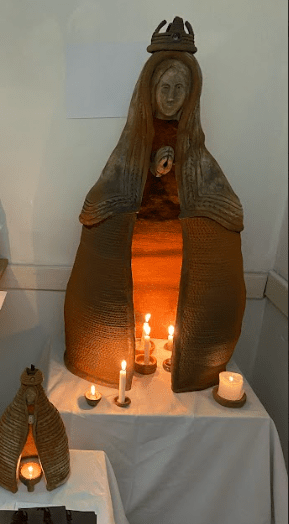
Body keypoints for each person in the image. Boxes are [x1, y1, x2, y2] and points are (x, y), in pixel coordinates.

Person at [64, 17, 246, 393]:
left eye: (180, 88)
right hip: (137, 245)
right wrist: (148, 170)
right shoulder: (132, 147)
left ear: (192, 94)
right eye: (165, 87)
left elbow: (222, 205)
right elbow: (105, 197)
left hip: (176, 251)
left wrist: (185, 176)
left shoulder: (196, 151)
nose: (171, 97)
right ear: (150, 89)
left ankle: (186, 355)